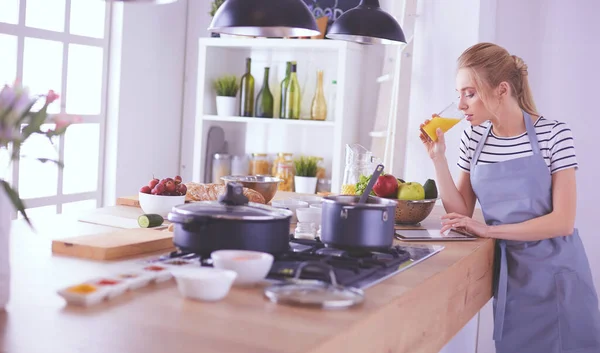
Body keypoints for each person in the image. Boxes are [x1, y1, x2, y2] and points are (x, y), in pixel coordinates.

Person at [419, 42, 600, 353]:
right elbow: (461, 210)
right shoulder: (474, 138)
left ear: (501, 89)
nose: (461, 105)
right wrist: (438, 158)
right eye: (458, 94)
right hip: (512, 278)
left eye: (469, 93)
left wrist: (489, 231)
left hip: (558, 280)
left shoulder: (554, 134)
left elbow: (563, 222)